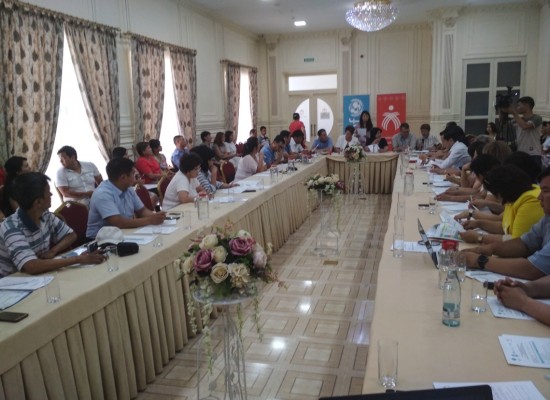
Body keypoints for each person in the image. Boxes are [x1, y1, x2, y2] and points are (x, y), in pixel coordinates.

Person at [0, 172, 105, 277]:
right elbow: (31, 266)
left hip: (39, 275)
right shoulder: (11, 228)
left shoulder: (44, 214)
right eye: (48, 192)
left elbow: (71, 235)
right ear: (38, 202)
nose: (51, 194)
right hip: (12, 280)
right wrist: (78, 259)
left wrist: (53, 251)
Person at [461, 166, 550, 280]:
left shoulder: (530, 201)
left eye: (545, 191)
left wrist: (479, 260)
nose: (539, 197)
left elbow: (533, 269)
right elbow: (523, 243)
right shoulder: (547, 218)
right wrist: (488, 249)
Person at [458, 165, 544, 245]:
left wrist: (479, 237)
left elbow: (516, 241)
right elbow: (504, 227)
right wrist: (478, 223)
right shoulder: (515, 197)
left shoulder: (530, 202)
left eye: (495, 194)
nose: (497, 198)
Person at [86, 158, 166, 238]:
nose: (135, 178)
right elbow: (119, 223)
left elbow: (142, 210)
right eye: (133, 174)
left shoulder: (128, 188)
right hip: (100, 239)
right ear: (123, 178)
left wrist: (155, 216)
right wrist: (150, 220)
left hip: (123, 233)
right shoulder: (102, 194)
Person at [507, 96, 543, 167]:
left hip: (533, 154)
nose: (517, 108)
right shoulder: (518, 119)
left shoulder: (537, 118)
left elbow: (524, 126)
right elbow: (503, 121)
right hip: (520, 153)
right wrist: (503, 110)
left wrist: (514, 113)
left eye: (519, 105)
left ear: (527, 105)